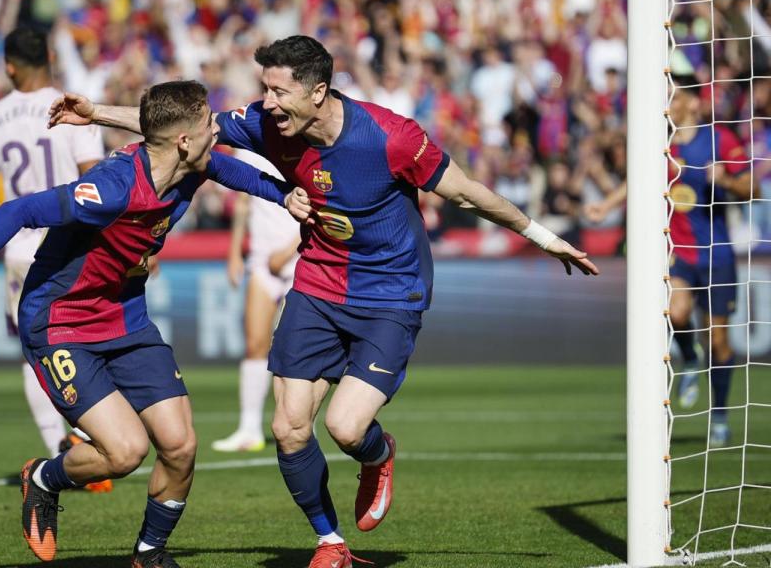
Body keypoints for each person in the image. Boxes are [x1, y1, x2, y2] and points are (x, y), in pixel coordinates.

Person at [48, 35, 598, 568]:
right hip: (317, 285)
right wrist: (94, 111)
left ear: (317, 92)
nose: (267, 103)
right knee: (288, 428)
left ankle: (378, 456)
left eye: (279, 91)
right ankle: (330, 542)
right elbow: (178, 131)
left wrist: (544, 238)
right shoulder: (271, 124)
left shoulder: (392, 137)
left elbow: (467, 192)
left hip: (390, 294)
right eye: (265, 89)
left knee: (347, 428)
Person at [0, 80, 309, 568]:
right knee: (125, 452)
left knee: (180, 445)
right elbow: (17, 210)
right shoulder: (110, 189)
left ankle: (149, 554)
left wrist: (286, 196)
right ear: (183, 140)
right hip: (61, 322)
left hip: (125, 317)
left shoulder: (192, 165)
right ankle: (46, 477)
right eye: (207, 123)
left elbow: (240, 174)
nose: (216, 129)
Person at [0, 27, 111, 487]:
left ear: (10, 65)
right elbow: (94, 182)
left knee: (32, 355)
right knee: (85, 340)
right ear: (52, 55)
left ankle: (61, 441)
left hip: (20, 250)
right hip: (71, 245)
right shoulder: (74, 107)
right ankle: (87, 438)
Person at [589, 78, 756, 446]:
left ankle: (720, 415)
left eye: (677, 96)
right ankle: (689, 356)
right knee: (676, 314)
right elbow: (639, 179)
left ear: (695, 104)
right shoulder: (660, 141)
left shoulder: (720, 141)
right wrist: (606, 204)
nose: (670, 102)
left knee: (721, 344)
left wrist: (726, 180)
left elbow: (753, 188)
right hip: (677, 253)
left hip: (717, 255)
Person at [213, 150, 300, 453]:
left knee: (297, 349)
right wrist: (235, 251)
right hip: (262, 260)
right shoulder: (246, 147)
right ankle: (249, 428)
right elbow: (243, 201)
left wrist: (289, 251)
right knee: (255, 344)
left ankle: (302, 425)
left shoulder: (301, 142)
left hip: (300, 259)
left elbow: (318, 204)